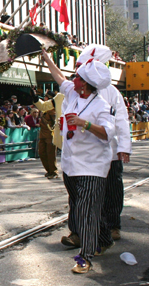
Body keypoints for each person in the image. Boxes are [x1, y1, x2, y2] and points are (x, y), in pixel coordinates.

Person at [42, 49, 114, 274]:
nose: (73, 79)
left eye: (78, 77)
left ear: (86, 84)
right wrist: (46, 58)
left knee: (85, 211)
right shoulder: (73, 94)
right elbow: (59, 78)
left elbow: (108, 133)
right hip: (71, 165)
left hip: (93, 166)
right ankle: (104, 237)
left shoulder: (101, 105)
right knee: (83, 206)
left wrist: (85, 124)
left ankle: (86, 256)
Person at [70, 45, 132, 243]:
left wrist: (123, 147)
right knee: (78, 195)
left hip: (109, 151)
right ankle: (77, 231)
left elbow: (121, 120)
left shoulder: (112, 92)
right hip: (83, 153)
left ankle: (112, 225)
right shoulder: (73, 92)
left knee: (112, 189)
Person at [33, 92, 61, 178]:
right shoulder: (44, 108)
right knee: (42, 153)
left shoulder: (53, 109)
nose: (45, 99)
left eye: (47, 97)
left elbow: (54, 122)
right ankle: (48, 170)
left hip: (50, 134)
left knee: (50, 154)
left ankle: (53, 171)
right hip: (42, 134)